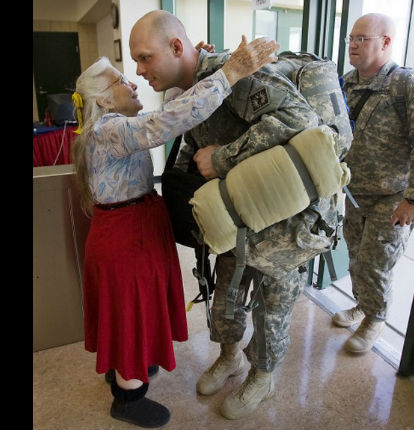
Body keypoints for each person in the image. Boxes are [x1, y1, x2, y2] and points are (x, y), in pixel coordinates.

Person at [129, 10, 344, 420]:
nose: (139, 71)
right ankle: (230, 357)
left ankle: (262, 377)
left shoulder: (238, 76)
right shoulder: (193, 92)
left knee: (273, 306)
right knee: (226, 295)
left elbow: (301, 120)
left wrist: (226, 158)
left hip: (285, 218)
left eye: (144, 58)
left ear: (176, 47)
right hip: (239, 215)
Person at [71, 35, 279, 428]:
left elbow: (174, 111)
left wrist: (200, 70)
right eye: (120, 80)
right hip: (126, 238)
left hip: (131, 229)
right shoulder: (110, 130)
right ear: (103, 101)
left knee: (131, 311)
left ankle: (124, 370)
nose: (133, 81)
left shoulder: (111, 128)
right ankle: (128, 400)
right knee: (132, 309)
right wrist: (232, 72)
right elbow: (167, 122)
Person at [332, 13, 414, 353]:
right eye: (351, 38)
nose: (353, 44)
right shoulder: (345, 84)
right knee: (355, 258)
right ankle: (363, 305)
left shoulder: (408, 86)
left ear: (385, 43)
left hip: (393, 196)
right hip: (354, 193)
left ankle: (375, 318)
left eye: (362, 38)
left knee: (376, 261)